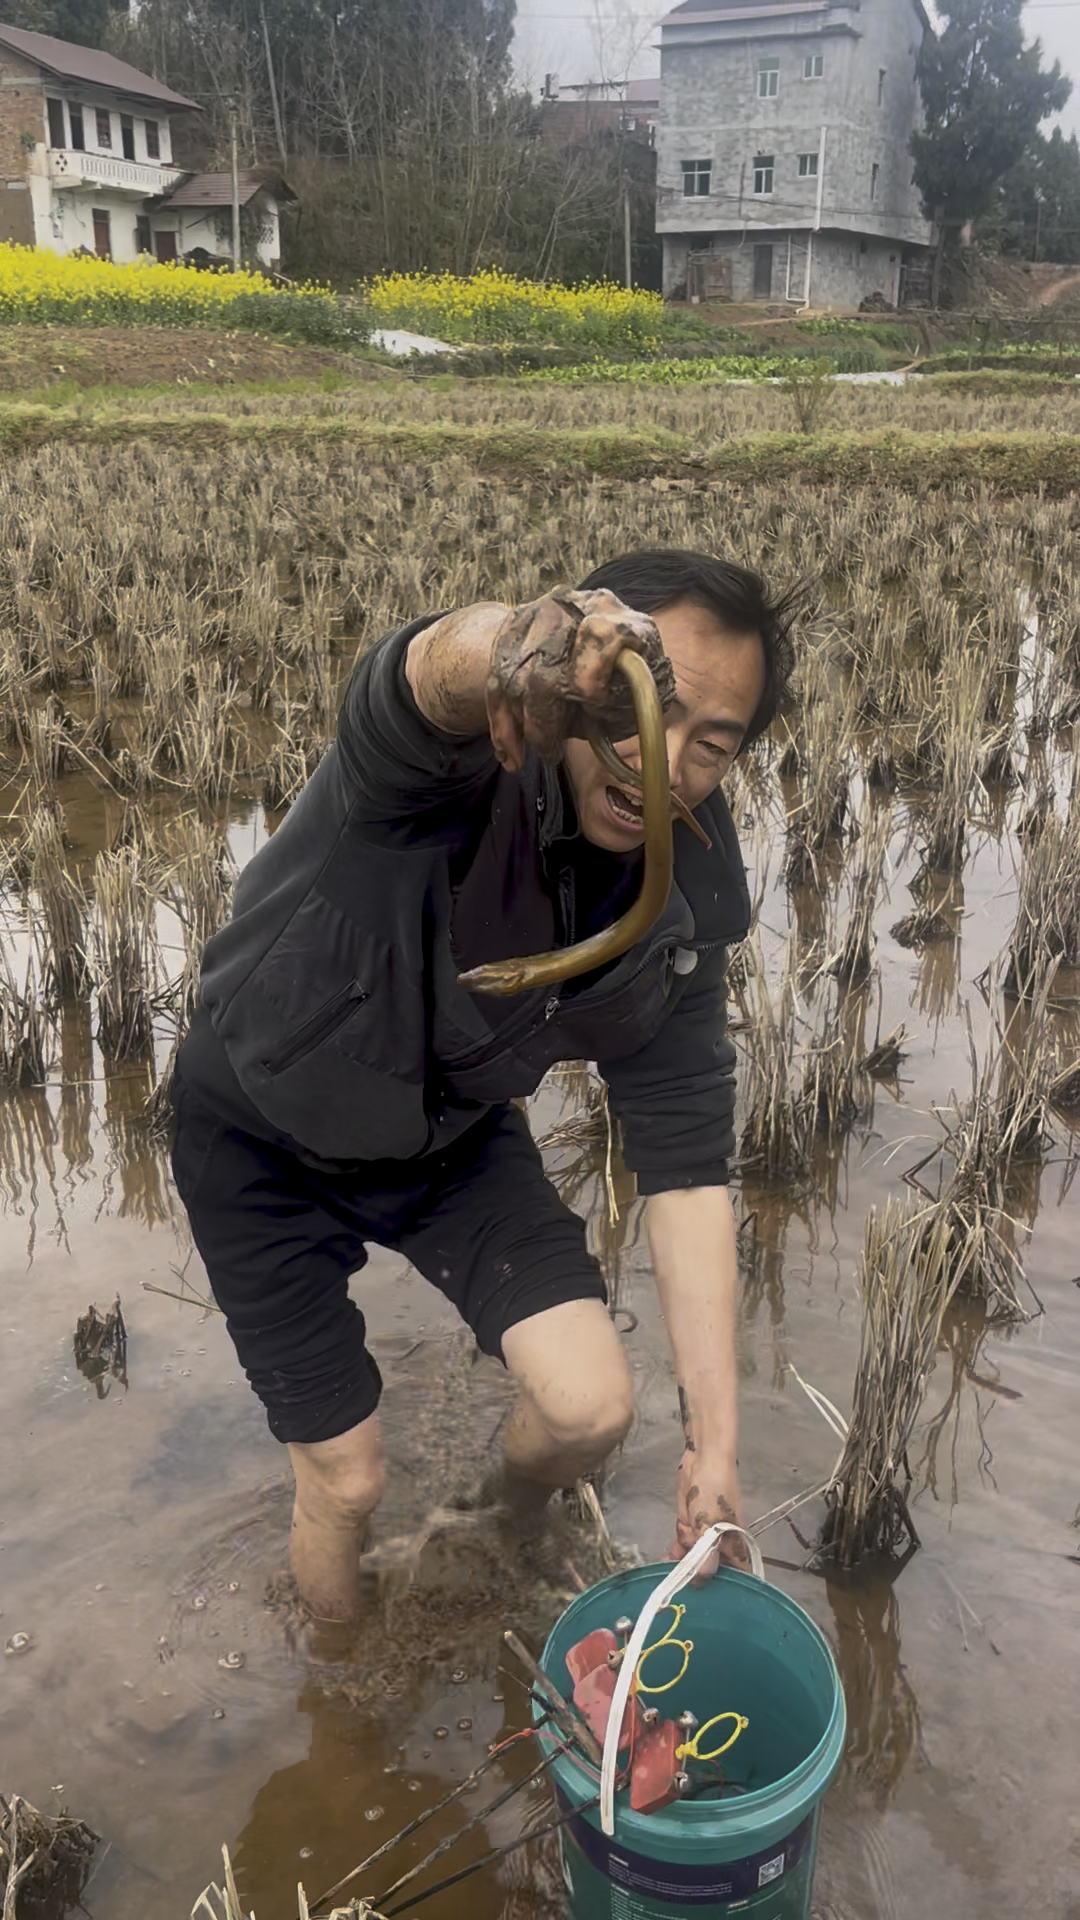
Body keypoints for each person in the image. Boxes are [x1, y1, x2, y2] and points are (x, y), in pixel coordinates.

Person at [170, 550, 796, 1626]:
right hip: (255, 1133)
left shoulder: (680, 903)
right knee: (347, 1480)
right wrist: (510, 647)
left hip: (446, 1139)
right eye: (649, 709)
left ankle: (493, 1527)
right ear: (584, 680)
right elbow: (408, 682)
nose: (665, 764)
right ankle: (341, 1698)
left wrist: (717, 1447)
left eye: (712, 745)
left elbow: (688, 1164)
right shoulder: (455, 765)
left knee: (590, 1407)